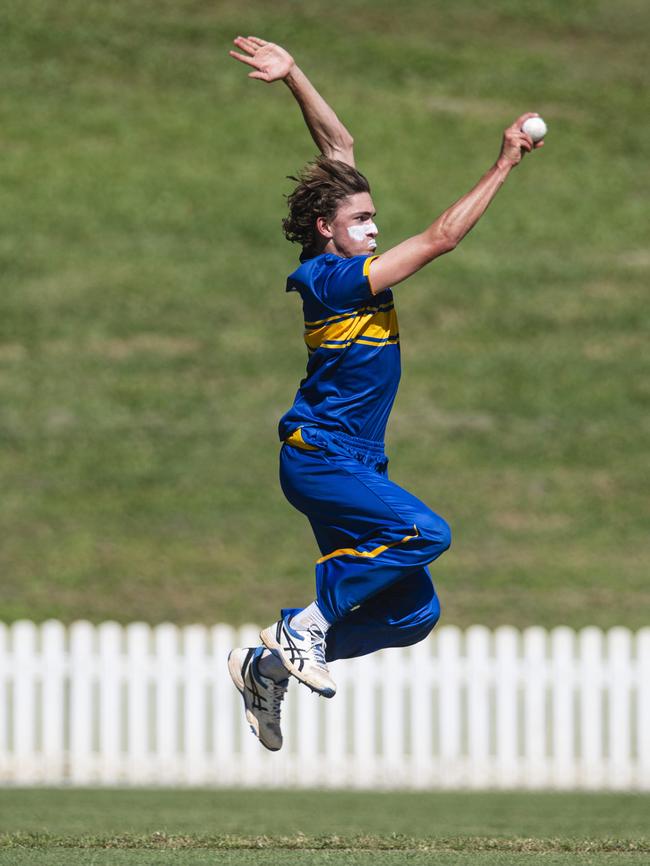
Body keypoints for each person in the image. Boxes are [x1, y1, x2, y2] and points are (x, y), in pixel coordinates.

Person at [227, 35, 544, 751]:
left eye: (373, 218)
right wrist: (503, 165)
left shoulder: (343, 246)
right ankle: (301, 627)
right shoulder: (334, 279)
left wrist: (294, 75)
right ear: (324, 231)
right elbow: (439, 239)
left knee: (412, 614)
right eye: (360, 222)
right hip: (320, 457)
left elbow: (338, 142)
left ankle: (269, 665)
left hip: (358, 463)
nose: (372, 229)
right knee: (426, 534)